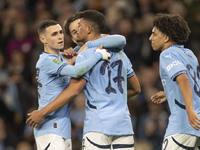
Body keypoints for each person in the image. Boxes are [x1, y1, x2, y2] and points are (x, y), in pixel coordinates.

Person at [27, 10, 141, 150]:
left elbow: (74, 88)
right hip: (123, 124)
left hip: (91, 125)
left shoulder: (80, 57)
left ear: (89, 28)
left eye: (79, 27)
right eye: (73, 31)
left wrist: (91, 51)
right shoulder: (119, 53)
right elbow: (137, 89)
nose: (60, 36)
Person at [149, 13, 200, 149]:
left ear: (166, 38)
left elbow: (183, 79)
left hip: (184, 124)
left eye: (154, 34)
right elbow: (195, 84)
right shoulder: (189, 54)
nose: (150, 38)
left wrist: (189, 111)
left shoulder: (167, 54)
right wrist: (169, 93)